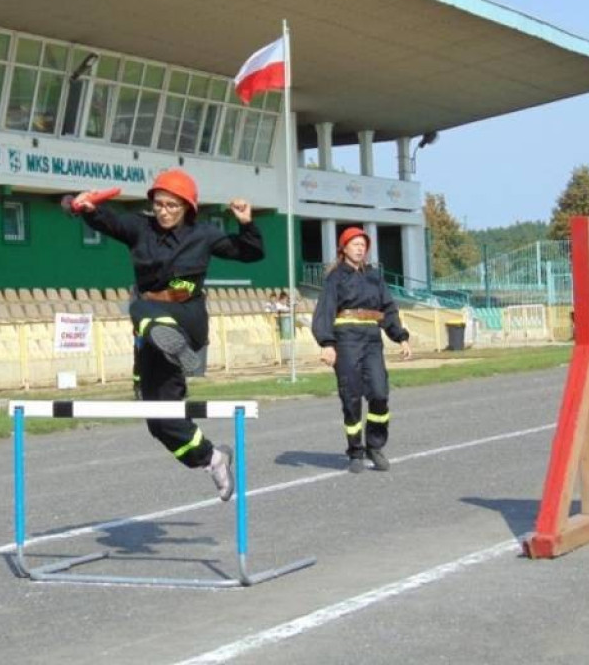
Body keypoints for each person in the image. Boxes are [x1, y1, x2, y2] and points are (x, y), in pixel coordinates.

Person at [70, 169, 263, 501]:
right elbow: (105, 220)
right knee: (160, 419)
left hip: (188, 318)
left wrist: (246, 223)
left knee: (139, 309)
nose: (164, 211)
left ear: (187, 207)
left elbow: (251, 252)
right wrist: (81, 205)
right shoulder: (139, 228)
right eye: (159, 204)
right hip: (155, 336)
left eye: (172, 205)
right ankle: (213, 458)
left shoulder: (204, 234)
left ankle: (175, 344)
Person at [311, 227, 412, 474]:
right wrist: (326, 344)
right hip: (346, 341)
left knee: (379, 393)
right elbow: (324, 311)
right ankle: (355, 451)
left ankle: (375, 446)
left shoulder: (375, 277)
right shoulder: (335, 278)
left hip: (372, 340)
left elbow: (388, 308)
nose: (360, 248)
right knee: (351, 396)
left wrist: (400, 337)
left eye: (363, 244)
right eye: (354, 244)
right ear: (343, 248)